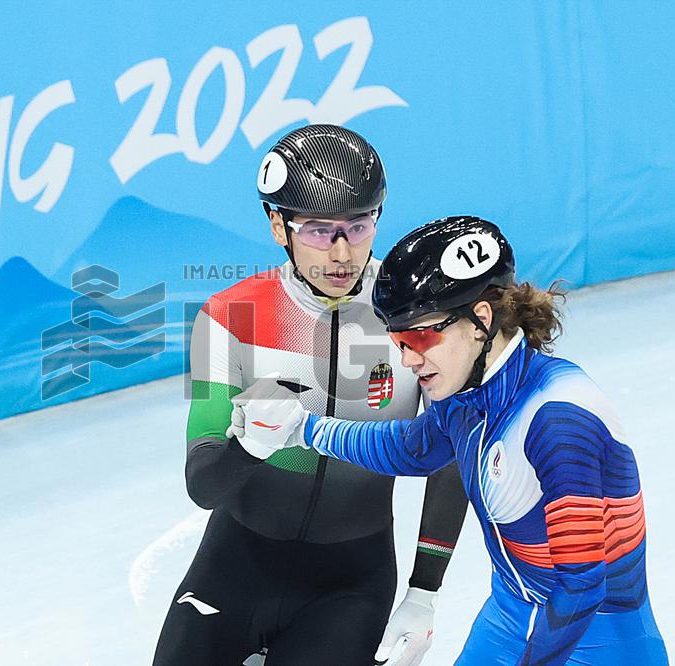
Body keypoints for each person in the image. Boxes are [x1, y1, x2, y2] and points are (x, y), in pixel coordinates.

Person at [230, 215, 670, 665]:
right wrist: (304, 428)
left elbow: (581, 583)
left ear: (480, 320)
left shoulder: (558, 421)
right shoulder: (468, 394)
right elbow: (414, 447)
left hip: (592, 637)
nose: (407, 359)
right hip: (511, 612)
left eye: (420, 336)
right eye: (398, 339)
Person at [152, 125, 470, 666]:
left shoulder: (416, 316)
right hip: (235, 565)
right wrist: (250, 447)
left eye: (359, 226)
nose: (343, 252)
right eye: (321, 231)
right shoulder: (230, 316)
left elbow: (450, 457)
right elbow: (203, 484)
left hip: (349, 584)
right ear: (279, 225)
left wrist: (424, 593)